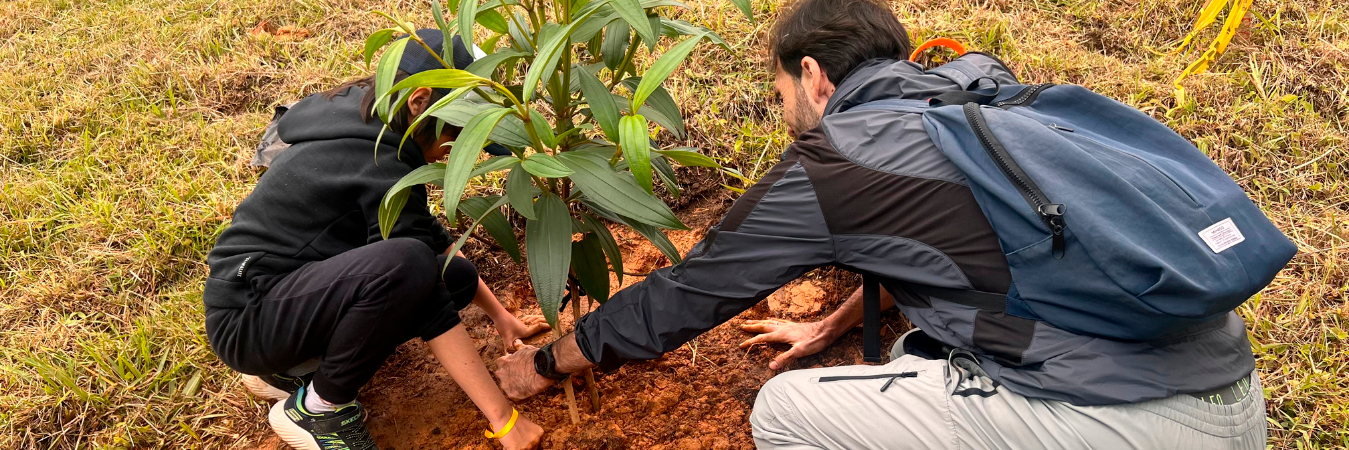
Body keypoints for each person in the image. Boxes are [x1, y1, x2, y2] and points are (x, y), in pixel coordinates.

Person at [492, 0, 1268, 448]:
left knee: (787, 414)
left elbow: (689, 294)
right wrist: (830, 327)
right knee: (910, 349)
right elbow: (969, 243)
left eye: (779, 97)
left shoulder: (839, 160)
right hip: (1227, 393)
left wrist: (546, 365)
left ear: (812, 76)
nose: (786, 117)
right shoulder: (976, 93)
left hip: (1129, 425)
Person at [203, 30, 546, 450]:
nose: (460, 150)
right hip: (249, 317)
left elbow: (429, 241)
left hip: (278, 301)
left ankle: (288, 370)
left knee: (450, 273)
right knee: (411, 265)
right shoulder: (380, 160)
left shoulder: (363, 119)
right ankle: (319, 409)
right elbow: (418, 278)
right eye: (459, 132)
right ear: (419, 101)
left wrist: (501, 317)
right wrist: (504, 418)